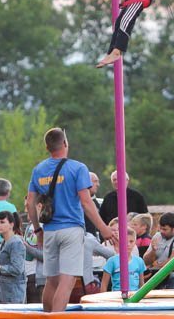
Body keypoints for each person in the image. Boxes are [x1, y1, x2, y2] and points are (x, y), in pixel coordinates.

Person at [26, 128, 113, 312]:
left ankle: (47, 316)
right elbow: (87, 202)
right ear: (65, 143)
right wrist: (103, 228)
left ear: (47, 147)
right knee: (67, 281)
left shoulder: (38, 170)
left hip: (49, 230)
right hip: (71, 229)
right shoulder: (78, 168)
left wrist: (37, 230)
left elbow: (30, 204)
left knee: (52, 281)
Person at [0, 211, 26, 303]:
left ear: (11, 224)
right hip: (3, 294)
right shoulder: (5, 242)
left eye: (2, 222)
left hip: (13, 295)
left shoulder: (15, 242)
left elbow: (17, 269)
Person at [142, 213, 174, 290]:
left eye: (165, 229)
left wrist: (154, 265)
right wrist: (153, 251)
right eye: (160, 228)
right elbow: (145, 261)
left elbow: (171, 263)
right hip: (158, 277)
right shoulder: (157, 236)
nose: (161, 231)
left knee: (169, 293)